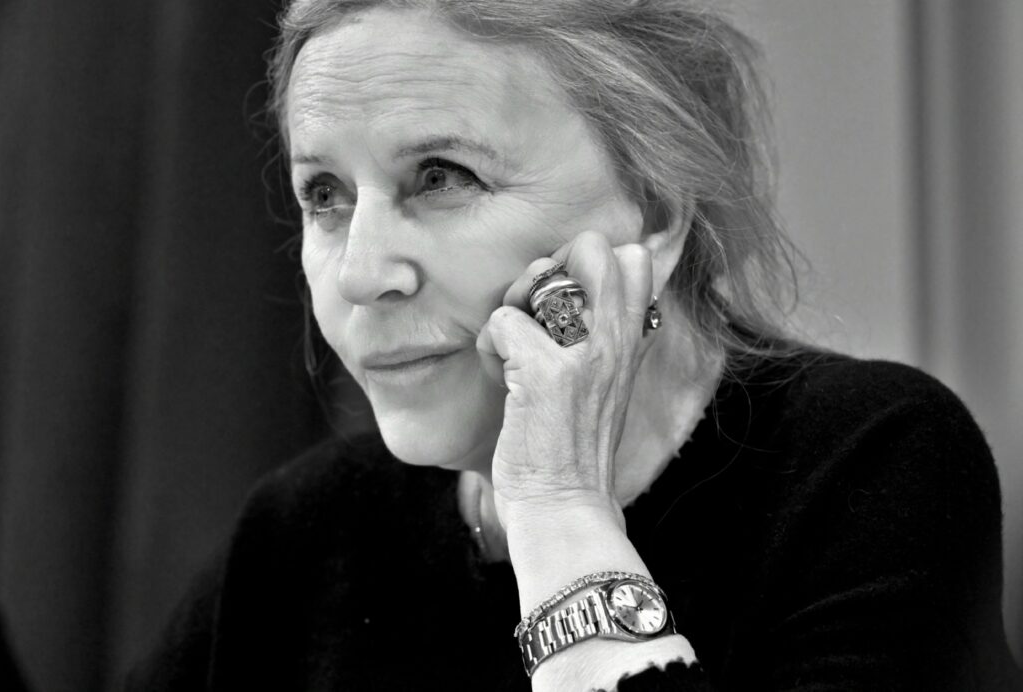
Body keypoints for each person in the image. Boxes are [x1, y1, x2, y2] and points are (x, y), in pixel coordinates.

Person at [127, 0, 1022, 690]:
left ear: (657, 211)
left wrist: (557, 507)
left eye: (441, 177)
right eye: (325, 194)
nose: (361, 274)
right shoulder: (302, 531)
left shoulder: (873, 467)